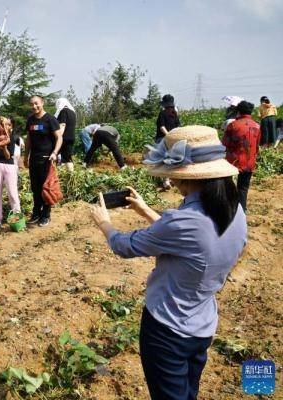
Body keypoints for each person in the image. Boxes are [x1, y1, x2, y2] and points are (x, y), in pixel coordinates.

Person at [91, 125, 246, 400]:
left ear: (187, 178)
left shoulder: (183, 221)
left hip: (167, 330)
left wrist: (105, 223)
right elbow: (190, 241)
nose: (172, 182)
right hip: (202, 324)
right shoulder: (234, 211)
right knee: (188, 392)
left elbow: (124, 246)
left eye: (174, 177)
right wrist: (146, 210)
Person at [24, 95, 63, 227]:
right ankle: (36, 214)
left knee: (46, 189)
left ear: (42, 103)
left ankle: (46, 215)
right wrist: (25, 156)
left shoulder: (50, 119)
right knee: (35, 189)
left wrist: (54, 153)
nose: (34, 106)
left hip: (47, 160)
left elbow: (59, 138)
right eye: (32, 104)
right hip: (34, 160)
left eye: (36, 103)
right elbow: (28, 139)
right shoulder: (30, 120)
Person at [223, 101, 261, 211]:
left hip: (233, 162)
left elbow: (225, 144)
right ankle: (241, 212)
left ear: (238, 111)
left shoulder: (233, 125)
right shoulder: (257, 126)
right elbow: (257, 145)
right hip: (250, 162)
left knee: (228, 186)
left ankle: (229, 208)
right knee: (243, 189)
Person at [155, 94, 180, 190]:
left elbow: (178, 126)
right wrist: (169, 135)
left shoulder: (174, 115)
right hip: (162, 139)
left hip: (172, 139)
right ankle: (165, 181)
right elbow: (162, 127)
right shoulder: (162, 113)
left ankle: (170, 179)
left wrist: (176, 136)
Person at [55, 98, 77, 171]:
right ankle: (71, 175)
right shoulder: (73, 112)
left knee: (56, 155)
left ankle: (57, 174)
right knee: (68, 157)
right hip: (71, 137)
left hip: (63, 138)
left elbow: (62, 125)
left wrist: (58, 138)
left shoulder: (63, 111)